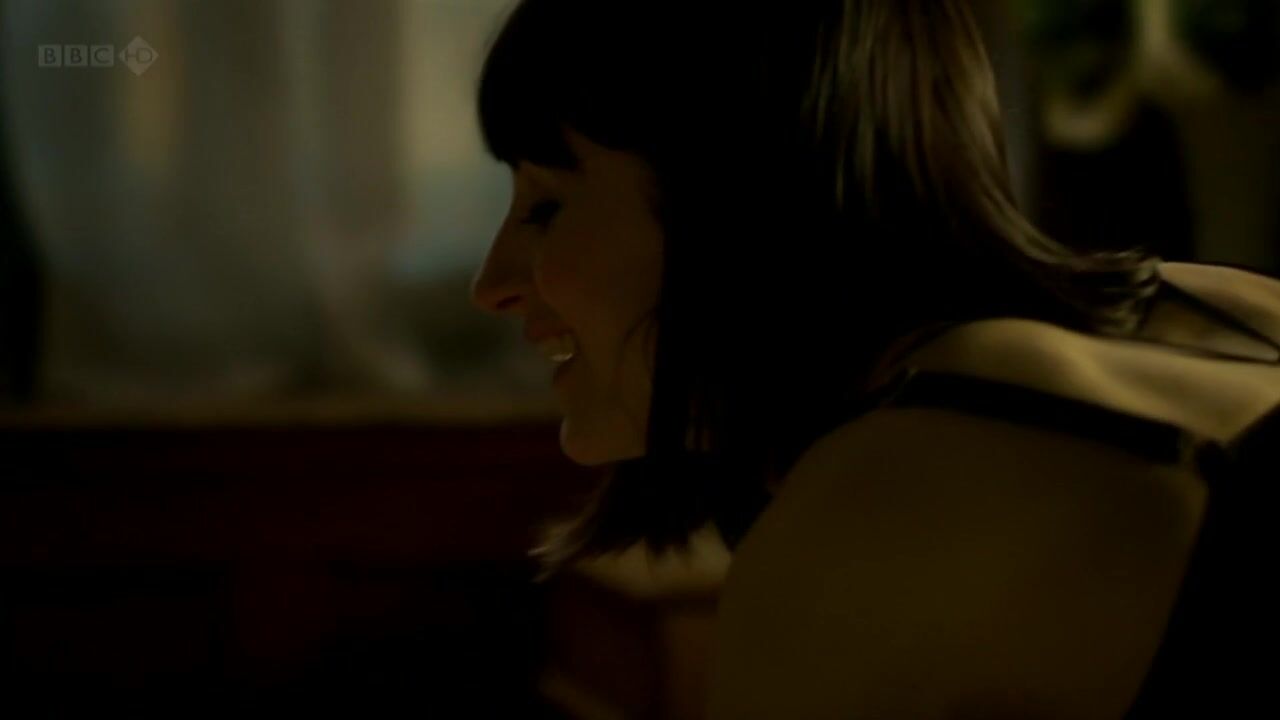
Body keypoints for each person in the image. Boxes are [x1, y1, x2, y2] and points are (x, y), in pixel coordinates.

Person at [468, 1, 1280, 717]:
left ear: (730, 200)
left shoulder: (873, 513)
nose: (490, 284)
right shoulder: (1225, 304)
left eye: (546, 206)